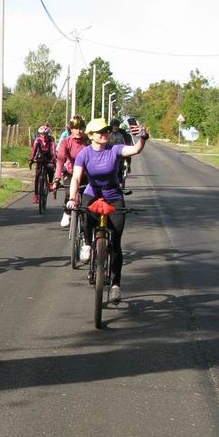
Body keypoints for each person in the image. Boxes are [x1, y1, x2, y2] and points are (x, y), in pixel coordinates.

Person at [66, 117, 149, 303]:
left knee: (117, 243)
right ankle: (87, 244)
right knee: (86, 217)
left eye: (105, 131)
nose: (104, 134)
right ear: (91, 136)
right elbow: (76, 178)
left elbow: (135, 150)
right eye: (100, 132)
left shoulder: (114, 149)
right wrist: (73, 198)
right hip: (92, 194)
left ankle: (115, 285)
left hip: (114, 196)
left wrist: (143, 138)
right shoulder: (84, 154)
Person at [54, 115, 89, 227]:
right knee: (70, 193)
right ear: (71, 129)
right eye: (75, 128)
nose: (78, 131)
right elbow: (60, 161)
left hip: (86, 173)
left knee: (87, 198)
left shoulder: (88, 141)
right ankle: (67, 212)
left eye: (80, 128)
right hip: (70, 172)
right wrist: (56, 178)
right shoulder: (66, 142)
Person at [29, 124, 55, 204]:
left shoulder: (51, 139)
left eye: (45, 134)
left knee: (51, 168)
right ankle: (36, 195)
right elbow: (34, 150)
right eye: (41, 134)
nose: (43, 136)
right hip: (40, 157)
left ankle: (50, 182)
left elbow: (53, 150)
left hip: (49, 156)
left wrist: (53, 159)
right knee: (37, 176)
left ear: (48, 134)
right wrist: (32, 159)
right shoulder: (37, 140)